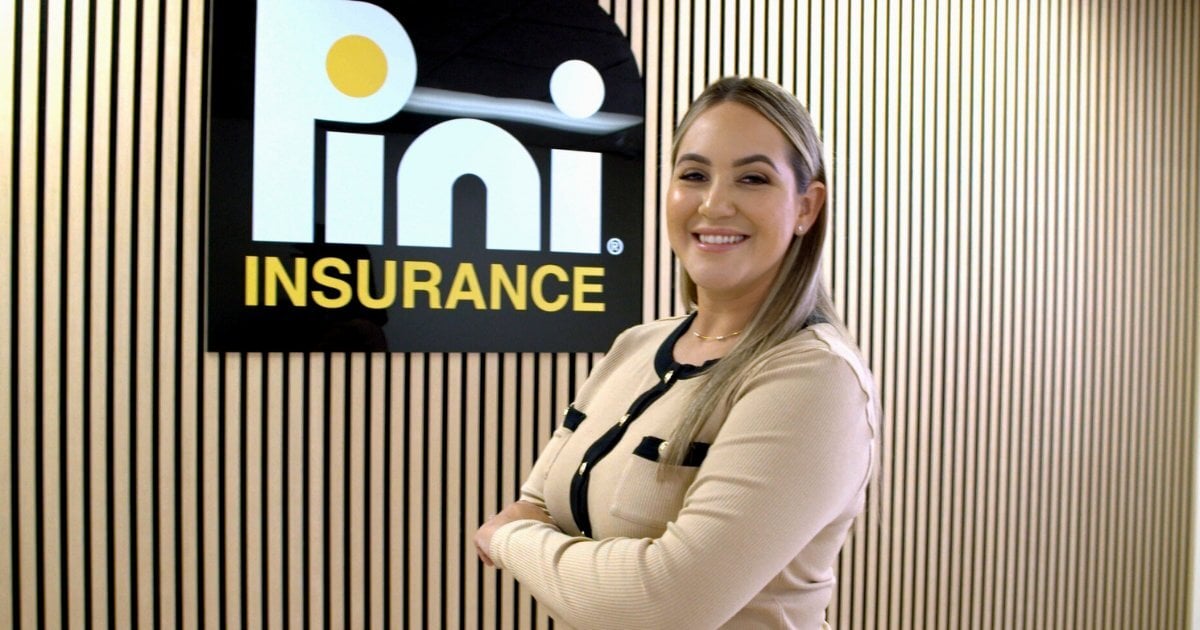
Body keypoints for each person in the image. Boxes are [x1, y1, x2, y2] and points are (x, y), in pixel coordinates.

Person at [474, 76, 878, 629]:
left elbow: (661, 607)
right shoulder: (636, 347)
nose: (714, 203)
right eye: (693, 175)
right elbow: (536, 498)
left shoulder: (813, 379)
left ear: (806, 207)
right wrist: (554, 549)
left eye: (753, 178)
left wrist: (510, 540)